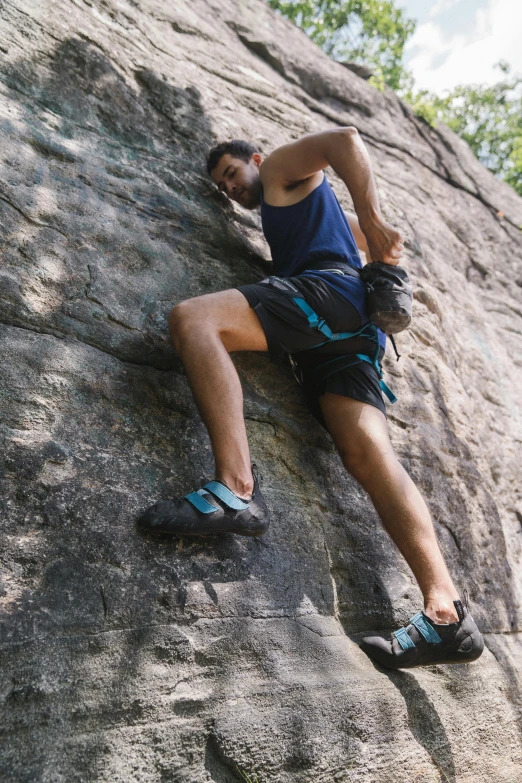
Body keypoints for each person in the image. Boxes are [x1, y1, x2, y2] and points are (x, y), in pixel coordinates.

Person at [139, 128, 484, 669]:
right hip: (354, 337)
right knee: (369, 457)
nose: (231, 188)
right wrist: (379, 256)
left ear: (255, 159)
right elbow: (364, 245)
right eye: (222, 187)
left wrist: (372, 218)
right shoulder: (306, 219)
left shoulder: (280, 169)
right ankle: (448, 615)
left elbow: (344, 141)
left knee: (194, 319)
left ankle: (234, 489)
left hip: (328, 296)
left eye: (232, 174)